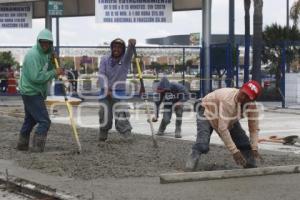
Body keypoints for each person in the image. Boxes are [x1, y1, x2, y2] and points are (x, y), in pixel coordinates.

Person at [185, 80, 262, 171]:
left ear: (252, 100)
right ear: (241, 89)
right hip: (206, 109)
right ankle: (189, 166)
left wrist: (254, 147)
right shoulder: (228, 100)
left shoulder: (252, 107)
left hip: (227, 116)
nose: (243, 97)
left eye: (247, 97)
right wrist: (234, 151)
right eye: (243, 93)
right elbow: (222, 129)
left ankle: (250, 165)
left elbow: (253, 129)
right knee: (202, 145)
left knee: (244, 143)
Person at [17, 28, 64, 152]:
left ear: (51, 43)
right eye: (42, 42)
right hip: (30, 91)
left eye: (47, 42)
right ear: (38, 41)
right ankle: (37, 148)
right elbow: (36, 77)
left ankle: (22, 144)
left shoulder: (48, 54)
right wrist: (55, 72)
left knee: (31, 119)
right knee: (44, 121)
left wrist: (55, 62)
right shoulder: (33, 55)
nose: (45, 45)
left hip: (35, 91)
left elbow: (48, 68)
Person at [98, 38, 136, 141]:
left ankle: (126, 133)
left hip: (119, 92)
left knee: (122, 111)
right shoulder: (104, 59)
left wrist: (132, 44)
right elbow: (101, 74)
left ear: (123, 50)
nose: (116, 49)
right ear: (111, 48)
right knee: (104, 113)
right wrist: (106, 89)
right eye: (114, 47)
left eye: (119, 47)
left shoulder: (125, 60)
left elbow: (130, 52)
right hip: (104, 92)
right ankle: (103, 132)